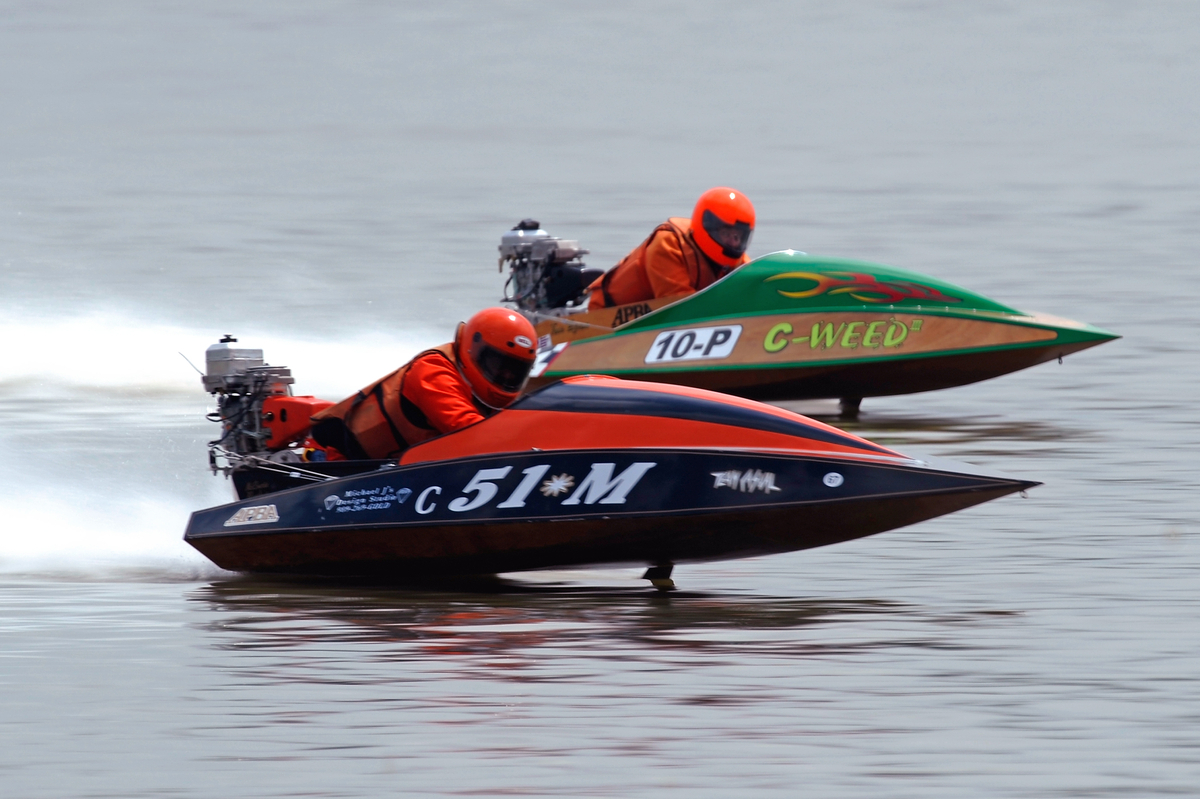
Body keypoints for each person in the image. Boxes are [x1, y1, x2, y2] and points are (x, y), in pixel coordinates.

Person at [310, 307, 538, 460]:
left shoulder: (481, 390)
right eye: (499, 367)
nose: (506, 378)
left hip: (397, 471)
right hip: (340, 465)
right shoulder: (433, 371)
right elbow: (467, 428)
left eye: (514, 372)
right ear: (472, 348)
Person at [586, 187, 755, 310]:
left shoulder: (736, 261)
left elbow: (753, 287)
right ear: (709, 227)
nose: (733, 243)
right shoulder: (669, 245)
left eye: (738, 237)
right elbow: (681, 309)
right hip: (607, 320)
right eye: (727, 234)